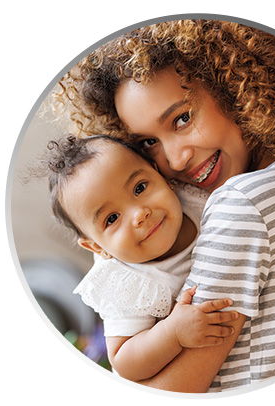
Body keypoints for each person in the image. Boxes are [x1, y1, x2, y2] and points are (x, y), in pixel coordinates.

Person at [53, 20, 275, 392]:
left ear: (232, 86)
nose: (174, 161)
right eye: (147, 143)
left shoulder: (239, 205)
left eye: (183, 118)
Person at [43, 134, 239, 382]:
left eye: (140, 188)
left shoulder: (196, 197)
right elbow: (123, 361)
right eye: (112, 219)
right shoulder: (127, 283)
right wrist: (172, 333)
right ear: (96, 247)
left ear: (161, 177)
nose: (139, 214)